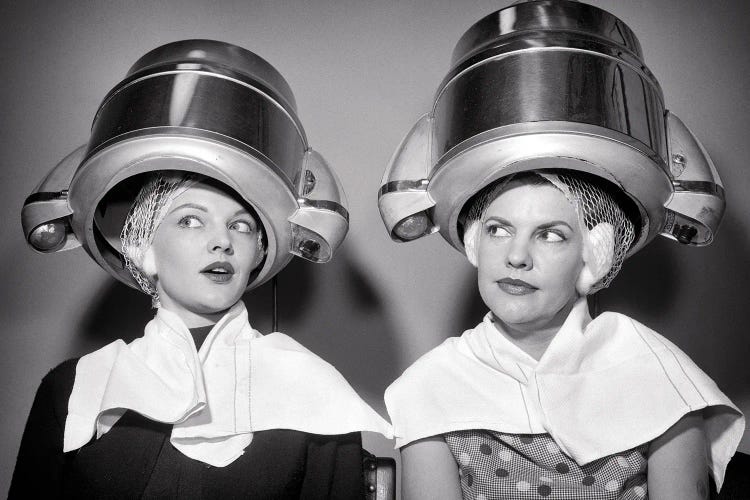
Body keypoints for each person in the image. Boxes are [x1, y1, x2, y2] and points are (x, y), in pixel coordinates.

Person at [377, 1, 744, 498]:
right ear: (473, 245)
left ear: (594, 257)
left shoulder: (661, 379)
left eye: (551, 234)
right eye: (499, 230)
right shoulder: (428, 387)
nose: (516, 257)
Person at [12, 40, 391, 498]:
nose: (222, 240)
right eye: (191, 219)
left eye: (242, 225)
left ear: (257, 255)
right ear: (142, 249)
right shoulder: (74, 388)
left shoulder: (315, 391)